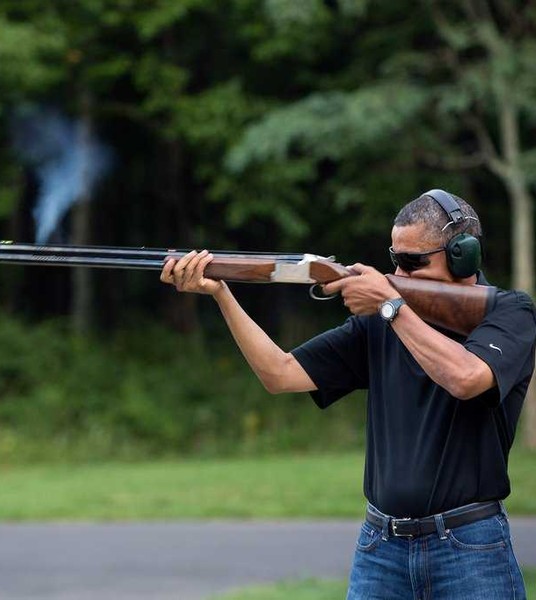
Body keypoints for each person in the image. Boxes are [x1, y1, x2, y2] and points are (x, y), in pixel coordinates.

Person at [160, 189, 536, 599]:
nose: (399, 272)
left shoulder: (509, 313)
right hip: (382, 548)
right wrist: (221, 293)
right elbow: (279, 374)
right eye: (395, 259)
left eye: (413, 262)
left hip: (469, 548)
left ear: (464, 255)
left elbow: (466, 377)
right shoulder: (381, 321)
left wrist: (391, 307)